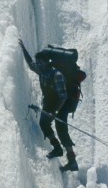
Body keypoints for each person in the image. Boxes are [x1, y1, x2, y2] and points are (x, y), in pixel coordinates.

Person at [19, 39, 78, 171]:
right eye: (38, 63)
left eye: (40, 63)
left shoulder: (56, 75)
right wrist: (23, 49)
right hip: (50, 104)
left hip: (61, 105)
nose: (38, 65)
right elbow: (30, 64)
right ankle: (57, 148)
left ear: (46, 62)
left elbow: (63, 95)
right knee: (44, 124)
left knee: (62, 130)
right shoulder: (41, 71)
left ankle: (72, 160)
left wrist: (55, 112)